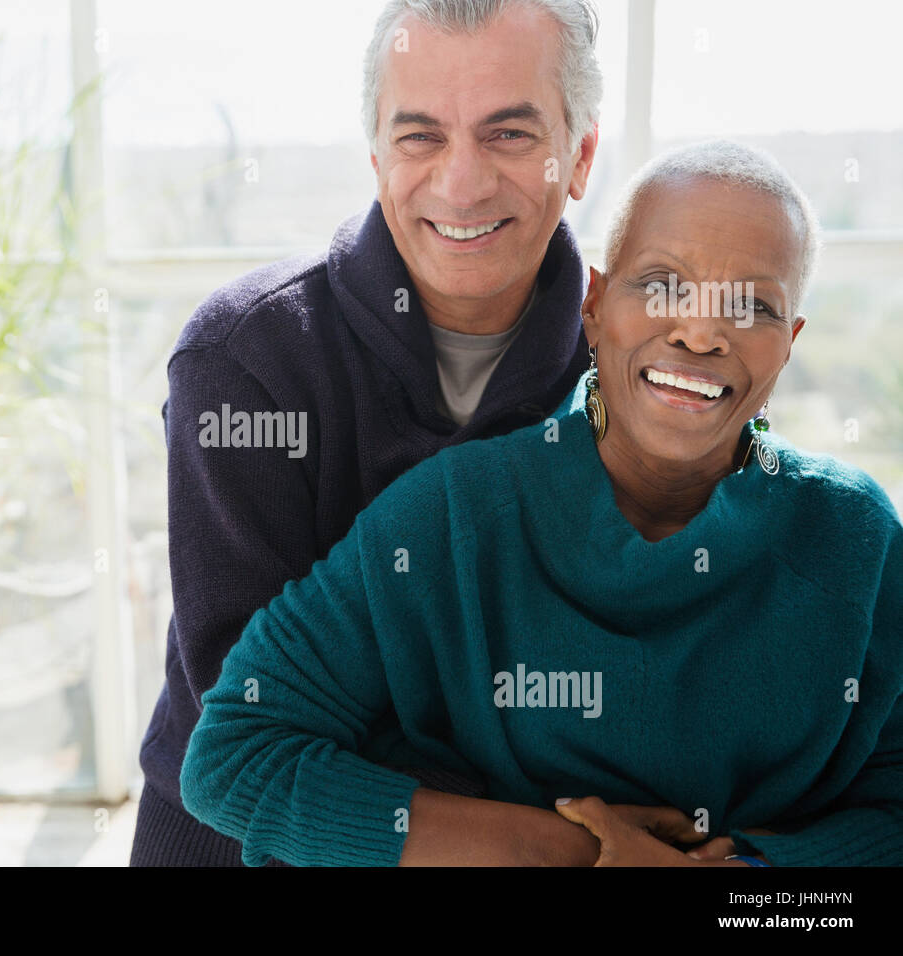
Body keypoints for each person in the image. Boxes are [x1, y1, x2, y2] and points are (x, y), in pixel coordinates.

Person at [179, 139, 903, 867]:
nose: (700, 331)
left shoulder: (859, 542)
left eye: (751, 306)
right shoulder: (454, 514)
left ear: (788, 344)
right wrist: (574, 853)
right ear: (594, 307)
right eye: (661, 286)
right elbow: (236, 754)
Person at [133, 0, 602, 867]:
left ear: (577, 157)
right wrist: (556, 843)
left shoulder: (646, 370)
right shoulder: (244, 361)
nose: (460, 184)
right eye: (420, 136)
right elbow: (256, 730)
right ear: (377, 155)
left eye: (507, 134)